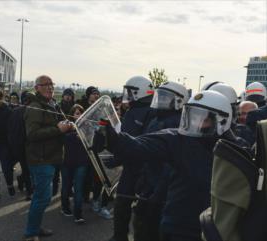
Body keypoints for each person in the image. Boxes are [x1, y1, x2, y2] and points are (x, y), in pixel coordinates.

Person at [98, 90, 235, 241]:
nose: (196, 123)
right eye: (193, 116)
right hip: (178, 226)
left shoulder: (236, 150)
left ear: (222, 121)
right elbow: (140, 145)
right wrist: (113, 139)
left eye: (204, 119)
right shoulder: (178, 139)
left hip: (213, 230)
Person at [132, 81, 188, 241]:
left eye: (166, 98)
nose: (161, 101)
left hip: (162, 189)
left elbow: (171, 164)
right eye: (160, 97)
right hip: (149, 182)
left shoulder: (178, 124)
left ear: (179, 101)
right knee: (140, 225)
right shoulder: (155, 120)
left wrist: (158, 192)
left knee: (152, 230)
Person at [24, 75, 72, 241]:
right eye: (45, 85)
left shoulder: (52, 104)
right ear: (36, 88)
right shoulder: (35, 106)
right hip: (40, 159)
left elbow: (60, 124)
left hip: (52, 157)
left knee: (44, 196)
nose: (50, 87)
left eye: (51, 84)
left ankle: (35, 227)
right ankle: (31, 233)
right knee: (42, 198)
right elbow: (32, 134)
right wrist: (58, 130)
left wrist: (69, 125)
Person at [111, 76, 155, 241]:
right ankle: (119, 236)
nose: (127, 95)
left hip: (142, 168)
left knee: (138, 208)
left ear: (140, 92)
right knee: (121, 203)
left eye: (131, 92)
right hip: (131, 166)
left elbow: (140, 142)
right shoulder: (132, 111)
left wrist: (117, 158)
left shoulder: (150, 113)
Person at [61, 104, 90, 224]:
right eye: (76, 113)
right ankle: (65, 207)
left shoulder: (87, 126)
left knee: (78, 188)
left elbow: (92, 141)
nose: (78, 115)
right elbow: (61, 139)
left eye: (80, 112)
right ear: (72, 114)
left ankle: (78, 213)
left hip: (81, 162)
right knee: (66, 186)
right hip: (66, 162)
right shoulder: (66, 125)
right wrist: (73, 133)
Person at [8, 90, 34, 201]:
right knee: (29, 169)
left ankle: (24, 182)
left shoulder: (15, 111)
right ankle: (29, 191)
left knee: (27, 169)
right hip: (27, 145)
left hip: (20, 145)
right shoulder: (28, 112)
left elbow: (10, 130)